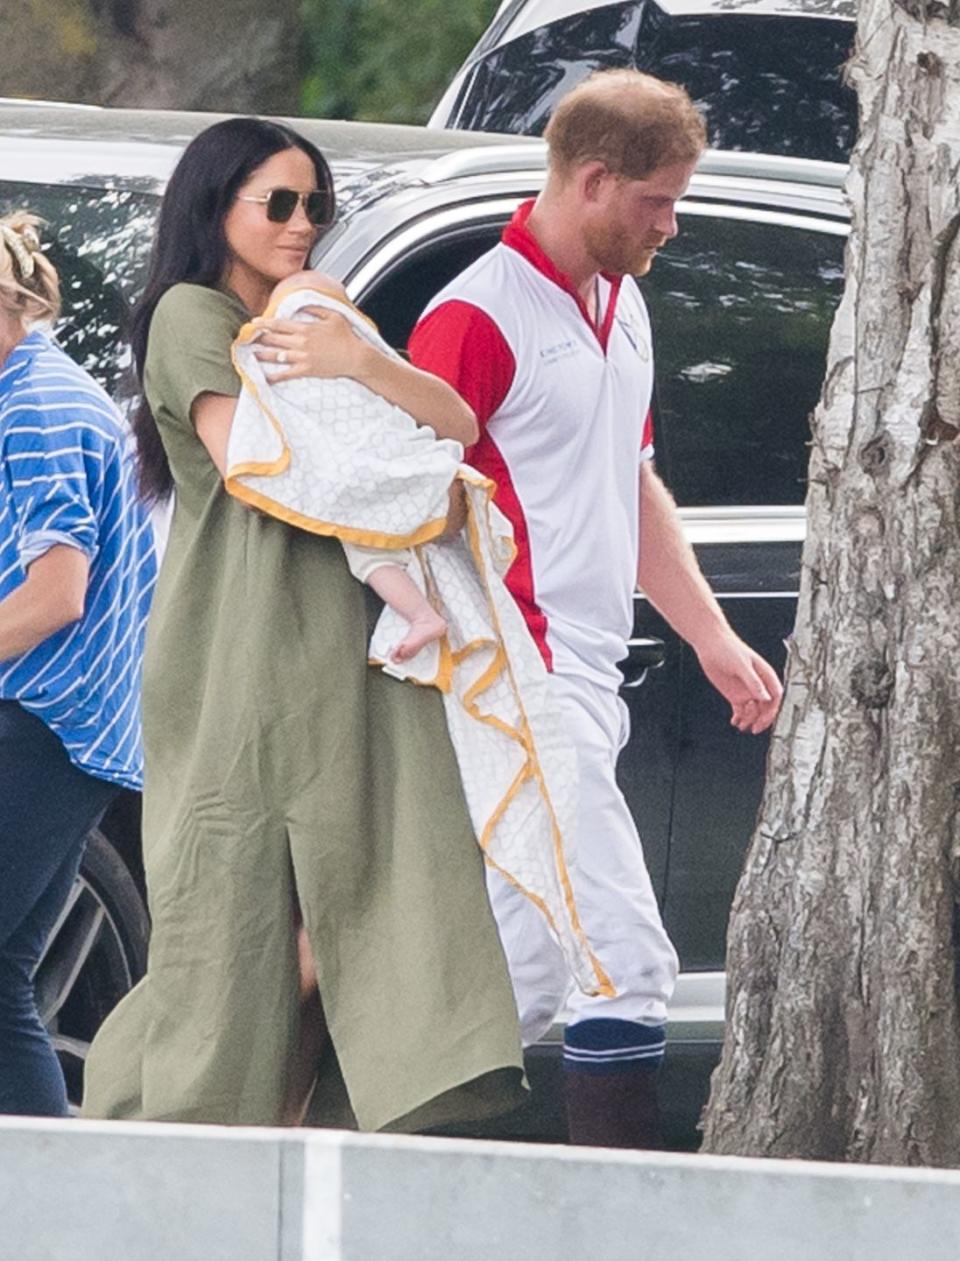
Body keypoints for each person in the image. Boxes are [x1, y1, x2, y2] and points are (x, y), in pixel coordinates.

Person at [81, 117, 526, 1132]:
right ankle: (145, 1131)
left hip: (359, 657)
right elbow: (260, 461)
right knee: (234, 934)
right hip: (240, 655)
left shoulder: (319, 318)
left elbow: (457, 424)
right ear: (215, 208)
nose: (302, 223)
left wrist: (357, 363)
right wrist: (365, 425)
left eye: (315, 205)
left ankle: (281, 1160)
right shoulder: (189, 315)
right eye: (277, 203)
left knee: (372, 905)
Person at [408, 68, 784, 1149]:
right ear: (591, 179)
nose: (672, 223)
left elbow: (631, 483)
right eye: (658, 201)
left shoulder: (626, 303)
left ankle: (394, 1190)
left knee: (522, 976)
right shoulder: (476, 315)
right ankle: (607, 1217)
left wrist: (709, 633)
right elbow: (396, 497)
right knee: (626, 952)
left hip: (591, 671)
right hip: (515, 674)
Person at [0, 213, 156, 1116]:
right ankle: (64, 1196)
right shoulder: (34, 387)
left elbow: (58, 593)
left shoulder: (38, 407)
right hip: (68, 731)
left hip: (44, 724)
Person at [249, 268, 447, 665]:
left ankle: (422, 614)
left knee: (369, 551)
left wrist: (357, 359)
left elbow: (460, 424)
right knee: (369, 549)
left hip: (374, 456)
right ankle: (422, 614)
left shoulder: (332, 353)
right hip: (379, 463)